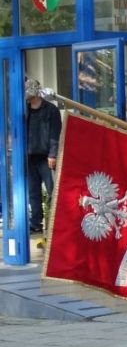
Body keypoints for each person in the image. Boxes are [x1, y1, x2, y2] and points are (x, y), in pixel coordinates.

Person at [24, 78, 61, 235]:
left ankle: (54, 224)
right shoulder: (24, 110)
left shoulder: (51, 110)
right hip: (29, 157)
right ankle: (36, 224)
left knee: (53, 191)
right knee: (33, 192)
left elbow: (55, 134)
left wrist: (52, 154)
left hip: (46, 157)